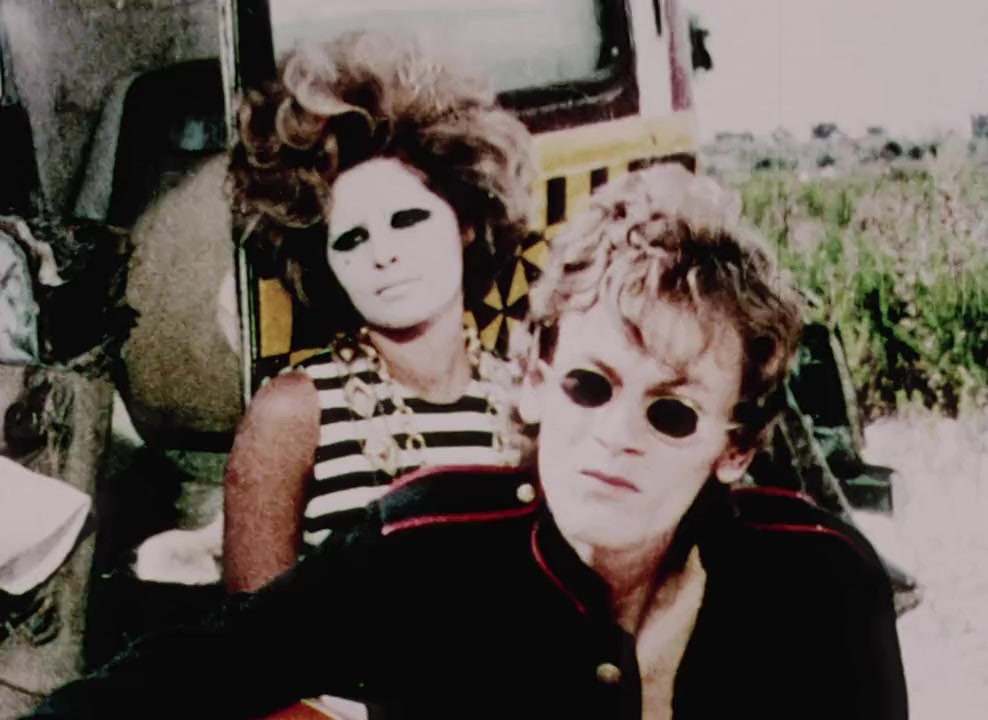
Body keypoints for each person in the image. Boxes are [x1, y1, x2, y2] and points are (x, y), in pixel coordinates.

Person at [22, 165, 907, 720]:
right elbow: (187, 676)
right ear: (535, 381)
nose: (615, 436)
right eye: (589, 385)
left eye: (671, 413)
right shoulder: (420, 550)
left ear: (735, 448)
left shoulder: (819, 582)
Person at [133, 31, 534, 590]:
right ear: (325, 263)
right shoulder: (293, 414)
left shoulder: (525, 403)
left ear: (466, 222)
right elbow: (255, 633)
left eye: (407, 219)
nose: (383, 254)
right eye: (350, 239)